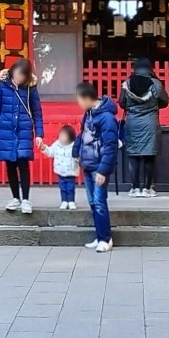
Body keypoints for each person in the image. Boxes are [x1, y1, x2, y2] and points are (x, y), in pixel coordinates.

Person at [0, 58, 43, 213]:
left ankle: (25, 199)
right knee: (10, 164)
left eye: (23, 75)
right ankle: (15, 198)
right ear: (12, 71)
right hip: (6, 130)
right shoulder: (2, 86)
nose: (19, 78)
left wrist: (39, 133)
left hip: (24, 129)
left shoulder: (30, 88)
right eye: (18, 74)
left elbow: (37, 112)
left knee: (23, 164)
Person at [74, 82, 120, 252]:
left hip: (99, 166)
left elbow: (110, 145)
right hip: (88, 164)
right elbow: (82, 135)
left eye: (79, 99)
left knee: (100, 202)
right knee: (93, 202)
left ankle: (106, 239)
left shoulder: (107, 118)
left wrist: (103, 170)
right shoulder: (88, 114)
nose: (78, 103)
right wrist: (76, 153)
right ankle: (100, 236)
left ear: (87, 98)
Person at [118, 58, 168, 197]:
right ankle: (147, 188)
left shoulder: (127, 83)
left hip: (132, 122)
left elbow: (122, 103)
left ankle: (134, 188)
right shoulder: (155, 83)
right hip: (150, 122)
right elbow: (164, 101)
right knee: (149, 156)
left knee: (133, 156)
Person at [41, 125, 79, 210]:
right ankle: (64, 201)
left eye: (64, 135)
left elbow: (79, 156)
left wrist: (79, 159)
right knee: (62, 187)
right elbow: (50, 152)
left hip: (71, 172)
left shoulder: (74, 146)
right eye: (61, 135)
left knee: (70, 187)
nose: (61, 137)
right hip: (60, 171)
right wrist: (44, 148)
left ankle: (71, 201)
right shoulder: (56, 145)